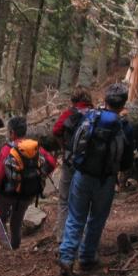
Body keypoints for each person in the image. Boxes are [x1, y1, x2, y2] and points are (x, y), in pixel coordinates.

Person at [59, 83, 134, 276]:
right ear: (123, 104)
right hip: (106, 180)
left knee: (75, 217)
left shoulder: (90, 117)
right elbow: (127, 161)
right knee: (97, 219)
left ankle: (67, 258)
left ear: (105, 100)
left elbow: (74, 143)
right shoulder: (124, 126)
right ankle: (86, 258)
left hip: (82, 175)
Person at [0, 116, 57, 250]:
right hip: (28, 192)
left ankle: (9, 250)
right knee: (17, 221)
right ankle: (16, 248)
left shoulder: (7, 149)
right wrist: (41, 174)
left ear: (12, 132)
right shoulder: (35, 147)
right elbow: (52, 163)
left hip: (7, 194)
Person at [52, 86, 93, 243]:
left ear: (73, 100)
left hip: (70, 161)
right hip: (89, 165)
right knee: (86, 200)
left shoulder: (69, 114)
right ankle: (83, 237)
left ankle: (62, 236)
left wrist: (63, 147)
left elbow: (56, 130)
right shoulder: (95, 114)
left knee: (64, 199)